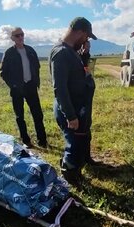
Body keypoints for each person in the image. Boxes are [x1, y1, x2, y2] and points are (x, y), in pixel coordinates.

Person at [50, 17, 97, 187]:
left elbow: (82, 72)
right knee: (73, 144)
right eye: (86, 37)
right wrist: (70, 115)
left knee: (82, 138)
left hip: (79, 106)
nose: (86, 41)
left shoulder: (71, 52)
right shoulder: (61, 53)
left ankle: (81, 165)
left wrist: (85, 55)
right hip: (70, 109)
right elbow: (60, 88)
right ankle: (70, 176)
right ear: (80, 32)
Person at [0, 27, 47, 148]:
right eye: (17, 36)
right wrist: (14, 85)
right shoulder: (9, 53)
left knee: (38, 114)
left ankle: (42, 141)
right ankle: (26, 141)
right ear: (12, 38)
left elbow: (37, 66)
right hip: (17, 90)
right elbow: (3, 72)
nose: (20, 37)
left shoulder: (30, 50)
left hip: (31, 86)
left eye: (22, 35)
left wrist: (35, 81)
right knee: (20, 116)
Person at [78, 40, 98, 165]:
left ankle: (87, 156)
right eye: (86, 46)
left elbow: (88, 70)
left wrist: (86, 53)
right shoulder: (74, 56)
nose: (88, 48)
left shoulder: (85, 56)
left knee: (86, 125)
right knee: (81, 127)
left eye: (89, 47)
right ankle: (80, 158)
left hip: (87, 92)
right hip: (80, 94)